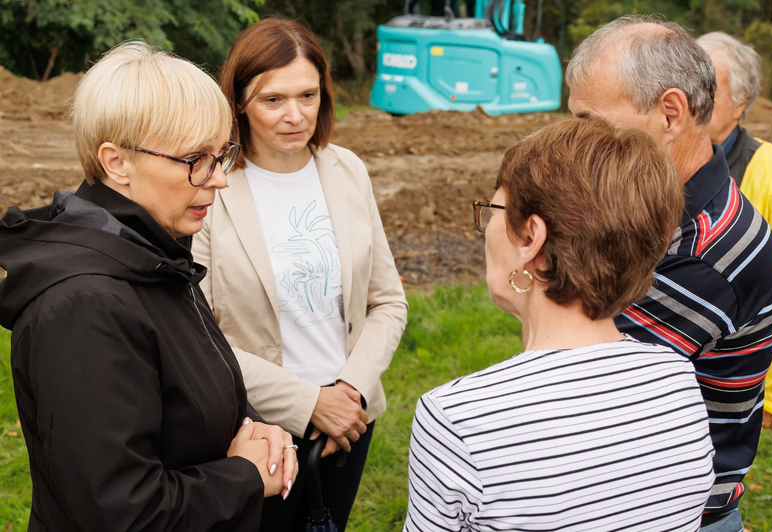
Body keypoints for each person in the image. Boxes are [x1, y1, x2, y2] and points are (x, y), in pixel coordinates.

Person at [0, 42, 298, 531]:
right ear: (117, 163)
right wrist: (243, 477)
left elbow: (189, 394)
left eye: (222, 153)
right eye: (196, 159)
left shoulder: (155, 255)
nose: (219, 179)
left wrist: (253, 425)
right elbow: (122, 512)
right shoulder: (85, 307)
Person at [404, 117, 715, 532]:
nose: (486, 228)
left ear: (531, 239)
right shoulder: (677, 380)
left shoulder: (458, 421)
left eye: (493, 210)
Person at [566, 16, 772, 531]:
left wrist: (521, 272)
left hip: (672, 516)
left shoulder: (704, 251)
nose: (576, 145)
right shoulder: (661, 208)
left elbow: (578, 388)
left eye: (589, 123)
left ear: (670, 114)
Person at [192, 19, 408, 531]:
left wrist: (347, 394)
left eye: (308, 95)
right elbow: (198, 334)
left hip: (350, 423)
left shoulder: (347, 169)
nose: (295, 115)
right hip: (253, 427)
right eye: (273, 100)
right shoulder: (210, 186)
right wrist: (309, 403)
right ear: (238, 102)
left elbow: (388, 302)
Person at [697, 31, 772, 430]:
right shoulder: (658, 159)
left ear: (740, 104)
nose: (693, 101)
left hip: (731, 367)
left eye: (709, 91)